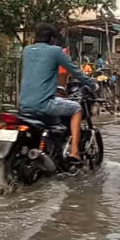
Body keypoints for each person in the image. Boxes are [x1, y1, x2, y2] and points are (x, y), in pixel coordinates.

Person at [19, 23, 94, 164]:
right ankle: (74, 152)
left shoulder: (27, 50)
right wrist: (91, 83)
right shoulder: (56, 51)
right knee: (76, 109)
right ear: (52, 39)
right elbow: (75, 71)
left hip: (24, 105)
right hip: (44, 103)